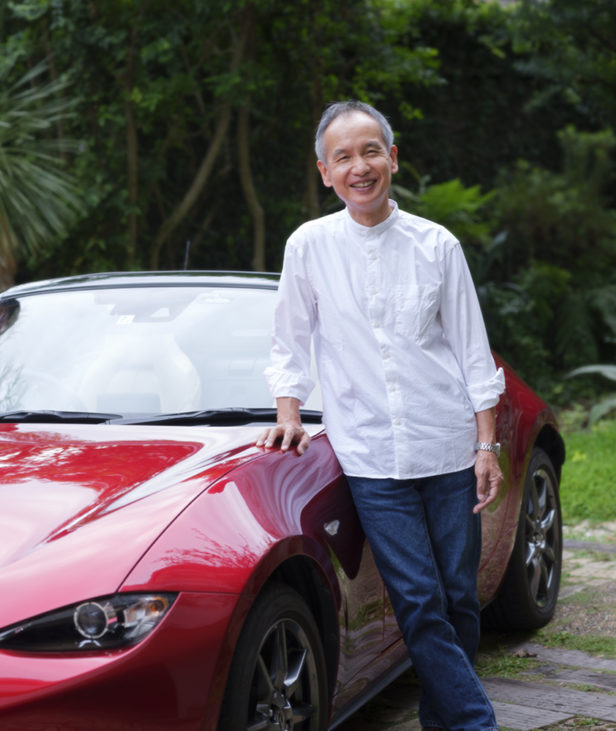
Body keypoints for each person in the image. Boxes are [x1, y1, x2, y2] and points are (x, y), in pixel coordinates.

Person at [256, 101, 505, 731]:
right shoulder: (308, 246)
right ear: (325, 172)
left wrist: (486, 446)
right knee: (419, 602)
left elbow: (472, 351)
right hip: (371, 457)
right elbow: (290, 339)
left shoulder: (436, 245)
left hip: (448, 446)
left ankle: (443, 718)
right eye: (343, 157)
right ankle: (477, 723)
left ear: (392, 159)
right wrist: (289, 412)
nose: (359, 167)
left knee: (458, 599)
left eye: (371, 152)